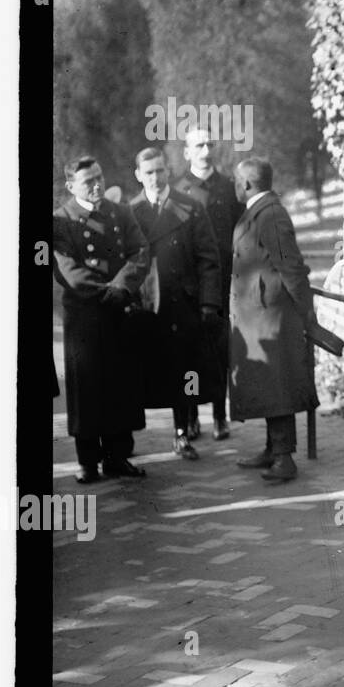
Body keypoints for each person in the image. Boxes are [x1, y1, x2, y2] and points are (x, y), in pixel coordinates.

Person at [52, 155, 150, 483]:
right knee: (87, 389)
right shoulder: (61, 220)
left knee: (120, 385)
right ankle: (88, 463)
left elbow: (140, 252)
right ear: (70, 186)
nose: (97, 185)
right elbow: (68, 270)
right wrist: (105, 292)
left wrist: (121, 287)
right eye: (87, 181)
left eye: (99, 177)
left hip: (119, 311)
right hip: (85, 317)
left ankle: (117, 457)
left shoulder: (121, 212)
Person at [228, 158, 318, 483]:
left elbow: (290, 266)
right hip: (260, 315)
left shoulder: (271, 214)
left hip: (273, 316)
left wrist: (306, 312)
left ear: (247, 184)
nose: (234, 186)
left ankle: (284, 457)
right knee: (268, 383)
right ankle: (272, 448)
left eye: (236, 181)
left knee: (276, 385)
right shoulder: (261, 211)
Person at [130, 147, 222, 461]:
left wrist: (209, 303)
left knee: (186, 370)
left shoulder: (191, 207)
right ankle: (134, 437)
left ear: (169, 171)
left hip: (184, 303)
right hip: (149, 305)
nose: (155, 178)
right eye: (149, 172)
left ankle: (183, 430)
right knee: (153, 370)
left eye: (160, 171)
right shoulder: (131, 212)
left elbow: (209, 260)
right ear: (138, 175)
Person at [174, 127, 244, 441]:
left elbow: (241, 232)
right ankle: (190, 418)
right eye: (198, 145)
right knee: (188, 354)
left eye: (209, 144)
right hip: (189, 286)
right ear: (187, 152)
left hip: (223, 282)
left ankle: (219, 416)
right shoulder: (178, 189)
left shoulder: (228, 187)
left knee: (218, 352)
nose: (206, 150)